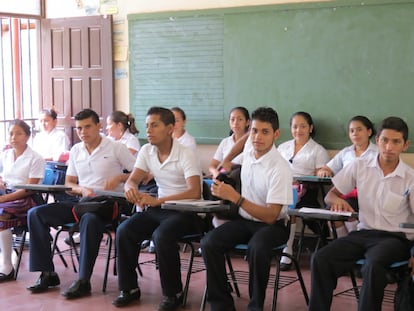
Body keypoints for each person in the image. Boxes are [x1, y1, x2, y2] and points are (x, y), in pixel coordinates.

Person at [27, 108, 136, 299]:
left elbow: (139, 174)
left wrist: (119, 177)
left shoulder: (115, 147)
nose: (83, 132)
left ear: (99, 126)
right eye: (79, 128)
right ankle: (47, 273)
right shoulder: (76, 150)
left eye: (87, 127)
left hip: (108, 204)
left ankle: (83, 280)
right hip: (82, 201)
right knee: (36, 214)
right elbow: (69, 182)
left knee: (89, 220)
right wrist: (81, 189)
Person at [309, 116, 414, 311]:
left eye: (396, 141)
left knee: (373, 265)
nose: (389, 147)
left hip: (396, 239)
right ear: (377, 141)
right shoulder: (360, 165)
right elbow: (330, 196)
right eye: (385, 140)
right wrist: (337, 200)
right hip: (363, 233)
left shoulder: (410, 178)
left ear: (405, 145)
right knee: (320, 258)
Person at [201, 107, 293, 311]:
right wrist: (233, 152)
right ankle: (221, 304)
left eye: (265, 132)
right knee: (209, 243)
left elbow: (271, 216)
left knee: (257, 248)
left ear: (276, 134)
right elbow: (233, 153)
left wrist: (236, 198)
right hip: (245, 221)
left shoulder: (280, 167)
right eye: (254, 131)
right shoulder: (249, 153)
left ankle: (255, 306)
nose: (258, 137)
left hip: (274, 226)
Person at [112, 106, 202, 310]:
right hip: (160, 210)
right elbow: (133, 179)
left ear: (170, 128)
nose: (149, 131)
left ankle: (174, 294)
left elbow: (195, 191)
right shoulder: (147, 150)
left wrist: (158, 201)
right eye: (147, 126)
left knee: (162, 236)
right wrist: (130, 188)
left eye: (154, 125)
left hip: (186, 212)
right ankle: (129, 289)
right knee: (124, 231)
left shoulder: (185, 153)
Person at [277, 111, 329, 270]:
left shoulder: (318, 150)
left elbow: (321, 173)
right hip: (280, 187)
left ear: (310, 128)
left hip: (305, 191)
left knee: (290, 202)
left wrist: (300, 181)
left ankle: (288, 249)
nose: (298, 130)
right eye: (294, 126)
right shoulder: (282, 147)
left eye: (302, 126)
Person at [317, 115, 377, 236]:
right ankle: (342, 242)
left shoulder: (378, 152)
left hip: (368, 197)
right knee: (332, 213)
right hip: (344, 194)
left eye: (359, 129)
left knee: (346, 209)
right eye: (352, 130)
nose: (355, 133)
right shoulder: (346, 152)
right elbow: (326, 168)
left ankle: (354, 240)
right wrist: (325, 171)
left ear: (369, 132)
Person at [0, 120, 45, 282]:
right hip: (7, 195)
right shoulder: (5, 154)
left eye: (18, 133)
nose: (14, 137)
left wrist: (4, 198)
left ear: (27, 136)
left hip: (27, 200)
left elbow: (29, 189)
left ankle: (6, 266)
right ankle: (6, 254)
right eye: (11, 133)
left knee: (1, 214)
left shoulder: (35, 158)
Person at [208, 106, 250, 178]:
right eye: (232, 119)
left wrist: (232, 166)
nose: (235, 123)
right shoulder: (225, 142)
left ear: (247, 122)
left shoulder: (252, 143)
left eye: (240, 119)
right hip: (223, 179)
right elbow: (212, 166)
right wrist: (215, 173)